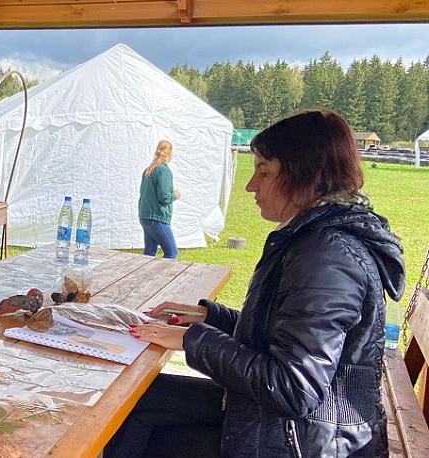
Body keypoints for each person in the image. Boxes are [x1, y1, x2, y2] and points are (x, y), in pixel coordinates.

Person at [105, 109, 405, 458]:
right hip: (292, 427)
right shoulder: (317, 238)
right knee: (134, 400)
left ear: (306, 173)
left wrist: (192, 339)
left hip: (305, 442)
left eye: (264, 172)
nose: (251, 185)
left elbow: (294, 387)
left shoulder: (327, 255)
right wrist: (211, 318)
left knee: (130, 418)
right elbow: (283, 337)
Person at [138, 140, 181, 259]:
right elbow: (164, 197)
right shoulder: (164, 170)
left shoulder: (148, 170)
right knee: (172, 252)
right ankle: (164, 272)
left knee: (149, 254)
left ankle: (144, 271)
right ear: (170, 153)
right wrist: (175, 195)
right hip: (157, 218)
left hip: (145, 216)